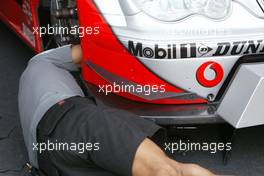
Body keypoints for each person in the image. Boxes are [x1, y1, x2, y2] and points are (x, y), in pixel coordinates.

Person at [18, 45, 215, 176]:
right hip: (71, 119)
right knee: (169, 171)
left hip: (47, 162)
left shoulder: (31, 82)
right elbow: (93, 48)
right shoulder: (42, 60)